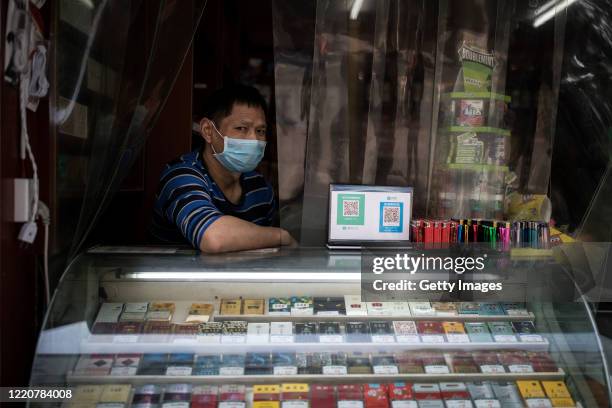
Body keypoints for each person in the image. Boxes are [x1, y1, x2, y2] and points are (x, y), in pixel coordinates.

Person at [151, 85, 296, 253]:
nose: (253, 139)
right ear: (208, 131)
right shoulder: (180, 176)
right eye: (241, 129)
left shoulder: (259, 187)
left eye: (260, 131)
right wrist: (281, 237)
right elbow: (213, 237)